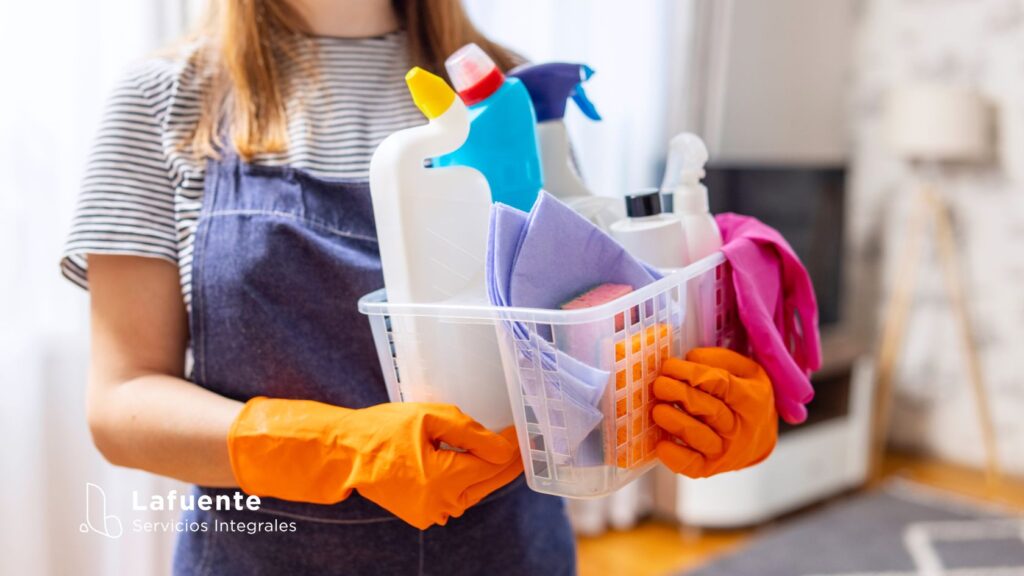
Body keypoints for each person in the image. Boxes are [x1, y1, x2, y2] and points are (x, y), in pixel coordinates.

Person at [61, 1, 778, 574]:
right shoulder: (163, 102)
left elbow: (575, 327)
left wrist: (683, 400)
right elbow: (122, 402)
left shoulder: (518, 96)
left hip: (509, 555)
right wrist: (338, 448)